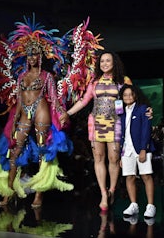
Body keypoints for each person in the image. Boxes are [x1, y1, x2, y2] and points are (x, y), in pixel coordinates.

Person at [0, 14, 74, 208]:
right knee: (14, 152)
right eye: (30, 54)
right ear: (26, 56)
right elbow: (18, 101)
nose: (32, 57)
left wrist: (62, 113)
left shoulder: (47, 76)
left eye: (35, 53)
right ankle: (8, 194)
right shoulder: (21, 76)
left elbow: (55, 100)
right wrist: (14, 120)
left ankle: (39, 196)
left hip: (41, 110)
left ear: (40, 56)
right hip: (23, 112)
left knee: (43, 151)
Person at [59, 50, 153, 212]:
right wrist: (68, 113)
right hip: (95, 123)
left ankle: (112, 190)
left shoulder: (124, 80)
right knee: (99, 158)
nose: (104, 64)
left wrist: (147, 110)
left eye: (108, 61)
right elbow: (83, 101)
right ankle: (103, 193)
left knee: (113, 158)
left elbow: (135, 98)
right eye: (102, 61)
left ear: (114, 63)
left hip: (116, 123)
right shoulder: (94, 81)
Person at [119, 84, 156, 219]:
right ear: (121, 97)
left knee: (146, 176)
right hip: (126, 150)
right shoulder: (121, 112)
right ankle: (133, 205)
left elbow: (146, 130)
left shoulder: (143, 109)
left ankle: (151, 206)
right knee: (129, 177)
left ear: (135, 95)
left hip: (141, 149)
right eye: (125, 95)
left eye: (131, 94)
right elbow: (121, 134)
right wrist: (120, 155)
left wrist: (143, 149)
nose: (128, 97)